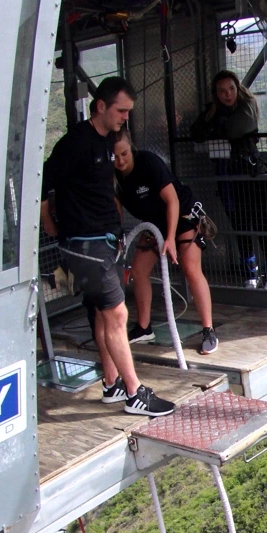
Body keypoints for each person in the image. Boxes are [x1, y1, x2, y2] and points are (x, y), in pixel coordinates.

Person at [41, 77, 174, 417]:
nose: (125, 118)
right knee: (117, 313)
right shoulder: (75, 144)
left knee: (103, 315)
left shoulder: (105, 143)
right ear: (101, 106)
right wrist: (55, 230)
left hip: (102, 241)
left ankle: (113, 384)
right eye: (121, 111)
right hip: (86, 245)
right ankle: (134, 393)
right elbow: (42, 184)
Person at [112, 130, 218, 355]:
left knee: (190, 268)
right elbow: (116, 212)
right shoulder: (113, 176)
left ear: (131, 148)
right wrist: (117, 236)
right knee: (139, 271)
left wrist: (170, 239)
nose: (120, 161)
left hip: (181, 213)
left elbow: (172, 200)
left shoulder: (148, 163)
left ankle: (208, 329)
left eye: (124, 154)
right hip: (153, 222)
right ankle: (143, 327)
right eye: (115, 157)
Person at [190, 70, 267, 289]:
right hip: (228, 178)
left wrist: (216, 128)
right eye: (222, 91)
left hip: (251, 176)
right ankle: (250, 273)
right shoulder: (212, 112)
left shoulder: (247, 106)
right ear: (216, 94)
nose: (228, 94)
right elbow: (196, 132)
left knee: (261, 225)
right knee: (240, 225)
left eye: (231, 89)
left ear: (237, 88)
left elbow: (235, 129)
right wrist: (216, 126)